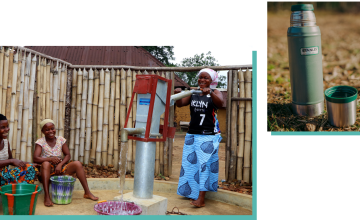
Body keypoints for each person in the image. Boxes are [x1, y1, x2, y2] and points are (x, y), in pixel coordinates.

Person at [175, 68, 224, 208]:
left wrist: (210, 92)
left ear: (212, 81)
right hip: (192, 133)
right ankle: (191, 192)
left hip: (208, 135)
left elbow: (220, 103)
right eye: (200, 77)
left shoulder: (216, 93)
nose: (202, 80)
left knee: (204, 166)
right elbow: (180, 104)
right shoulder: (193, 93)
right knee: (190, 165)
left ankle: (201, 199)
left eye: (206, 78)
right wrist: (177, 94)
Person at [33, 119, 98, 207]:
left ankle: (87, 192)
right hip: (47, 171)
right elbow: (36, 158)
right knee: (45, 164)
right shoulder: (40, 142)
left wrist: (60, 164)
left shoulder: (60, 139)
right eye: (47, 130)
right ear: (42, 131)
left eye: (52, 128)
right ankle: (47, 197)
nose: (51, 131)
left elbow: (67, 155)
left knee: (78, 164)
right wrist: (50, 159)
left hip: (60, 169)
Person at [0, 114, 38, 186]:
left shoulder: (5, 142)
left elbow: (11, 160)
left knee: (30, 168)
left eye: (7, 126)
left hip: (5, 174)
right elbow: (11, 161)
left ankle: (19, 192)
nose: (7, 129)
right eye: (3, 127)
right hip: (2, 177)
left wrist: (27, 163)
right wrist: (11, 161)